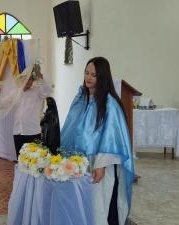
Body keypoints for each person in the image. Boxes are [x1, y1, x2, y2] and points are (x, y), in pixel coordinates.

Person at [60, 57, 134, 225]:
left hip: (100, 164)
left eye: (94, 75)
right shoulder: (81, 98)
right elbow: (70, 128)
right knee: (81, 204)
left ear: (102, 77)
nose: (89, 77)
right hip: (79, 162)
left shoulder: (110, 104)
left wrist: (100, 165)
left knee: (98, 205)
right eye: (87, 73)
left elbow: (112, 139)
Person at [0, 65, 52, 158]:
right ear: (21, 80)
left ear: (33, 80)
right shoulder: (15, 93)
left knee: (35, 161)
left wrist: (41, 77)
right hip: (18, 132)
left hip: (33, 132)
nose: (28, 81)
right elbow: (2, 104)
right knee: (21, 160)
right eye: (26, 79)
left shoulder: (38, 92)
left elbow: (48, 90)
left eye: (30, 79)